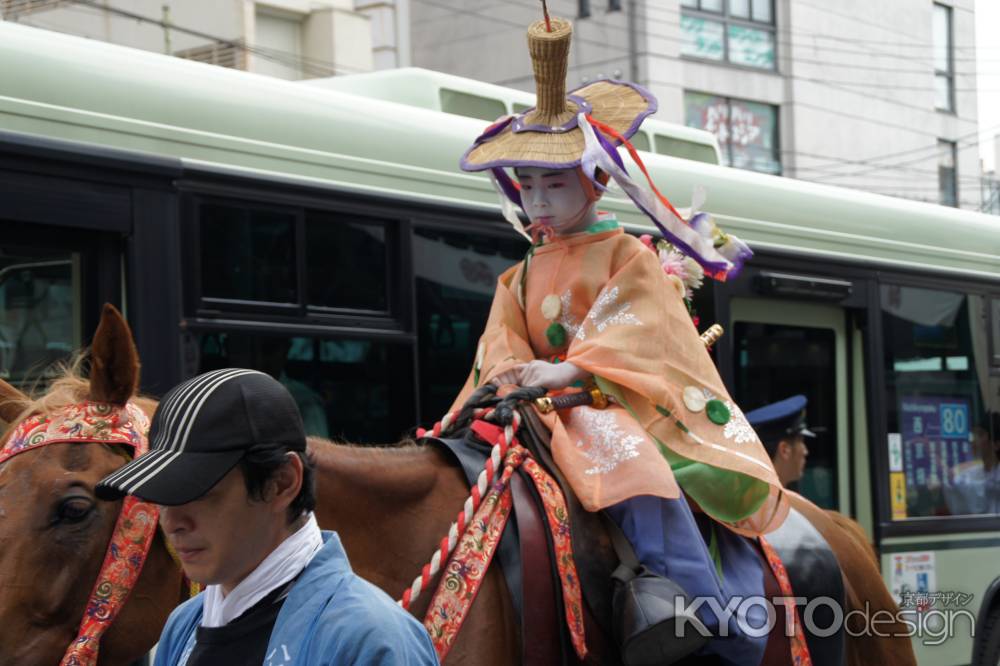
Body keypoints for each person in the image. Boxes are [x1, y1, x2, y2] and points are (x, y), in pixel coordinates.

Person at [447, 11, 790, 666]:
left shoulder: (626, 255)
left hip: (606, 406)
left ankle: (704, 619)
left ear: (596, 180)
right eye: (528, 185)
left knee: (633, 468)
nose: (538, 201)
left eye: (554, 182)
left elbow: (638, 330)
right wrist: (513, 378)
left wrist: (570, 375)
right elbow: (500, 344)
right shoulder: (516, 276)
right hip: (533, 414)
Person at [96, 368, 437, 666]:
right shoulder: (182, 627)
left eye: (198, 494)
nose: (172, 522)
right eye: (163, 497)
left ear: (282, 483)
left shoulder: (369, 638)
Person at [745, 395, 816, 487]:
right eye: (801, 441)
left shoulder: (762, 496)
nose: (805, 451)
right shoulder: (767, 500)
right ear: (784, 450)